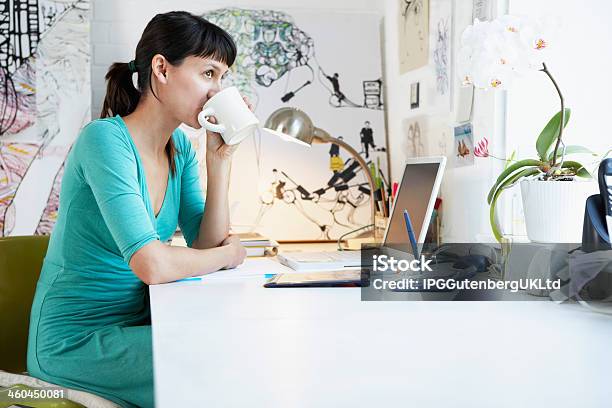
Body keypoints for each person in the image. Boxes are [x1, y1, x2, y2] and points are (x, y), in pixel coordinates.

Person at [26, 11, 247, 408]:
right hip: (76, 342)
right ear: (162, 68)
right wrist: (228, 254)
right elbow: (154, 265)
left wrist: (220, 160)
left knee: (233, 340)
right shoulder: (104, 141)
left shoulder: (179, 150)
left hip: (140, 324)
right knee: (222, 358)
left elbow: (204, 242)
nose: (217, 92)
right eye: (209, 74)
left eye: (222, 78)